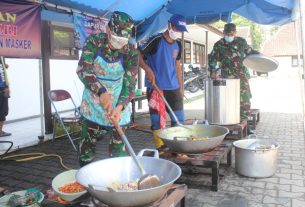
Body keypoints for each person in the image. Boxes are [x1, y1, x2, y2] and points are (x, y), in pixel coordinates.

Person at [76, 11, 138, 166]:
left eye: (123, 39)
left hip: (117, 104)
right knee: (87, 148)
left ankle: (118, 182)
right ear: (108, 30)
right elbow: (83, 70)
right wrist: (101, 91)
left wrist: (120, 106)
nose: (120, 43)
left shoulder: (131, 51)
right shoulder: (94, 42)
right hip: (94, 102)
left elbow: (129, 84)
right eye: (117, 37)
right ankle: (85, 183)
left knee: (119, 150)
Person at [139, 14, 188, 149]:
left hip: (173, 87)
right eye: (177, 29)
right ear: (169, 25)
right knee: (157, 122)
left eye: (181, 30)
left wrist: (180, 86)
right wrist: (147, 69)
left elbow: (177, 65)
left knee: (178, 119)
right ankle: (161, 148)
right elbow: (137, 54)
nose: (178, 32)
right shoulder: (155, 40)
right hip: (156, 87)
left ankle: (177, 148)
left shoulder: (178, 45)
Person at [208, 23, 259, 123]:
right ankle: (229, 119)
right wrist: (213, 70)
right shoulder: (219, 45)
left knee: (244, 99)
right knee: (228, 98)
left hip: (242, 76)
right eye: (227, 34)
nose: (229, 36)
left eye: (232, 34)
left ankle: (244, 122)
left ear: (235, 33)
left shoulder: (241, 42)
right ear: (223, 33)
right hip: (227, 77)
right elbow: (212, 58)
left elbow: (250, 51)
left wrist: (260, 56)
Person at [0, 56, 11, 137]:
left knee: (4, 112)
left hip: (4, 88)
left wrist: (7, 87)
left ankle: (0, 131)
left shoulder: (2, 56)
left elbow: (3, 70)